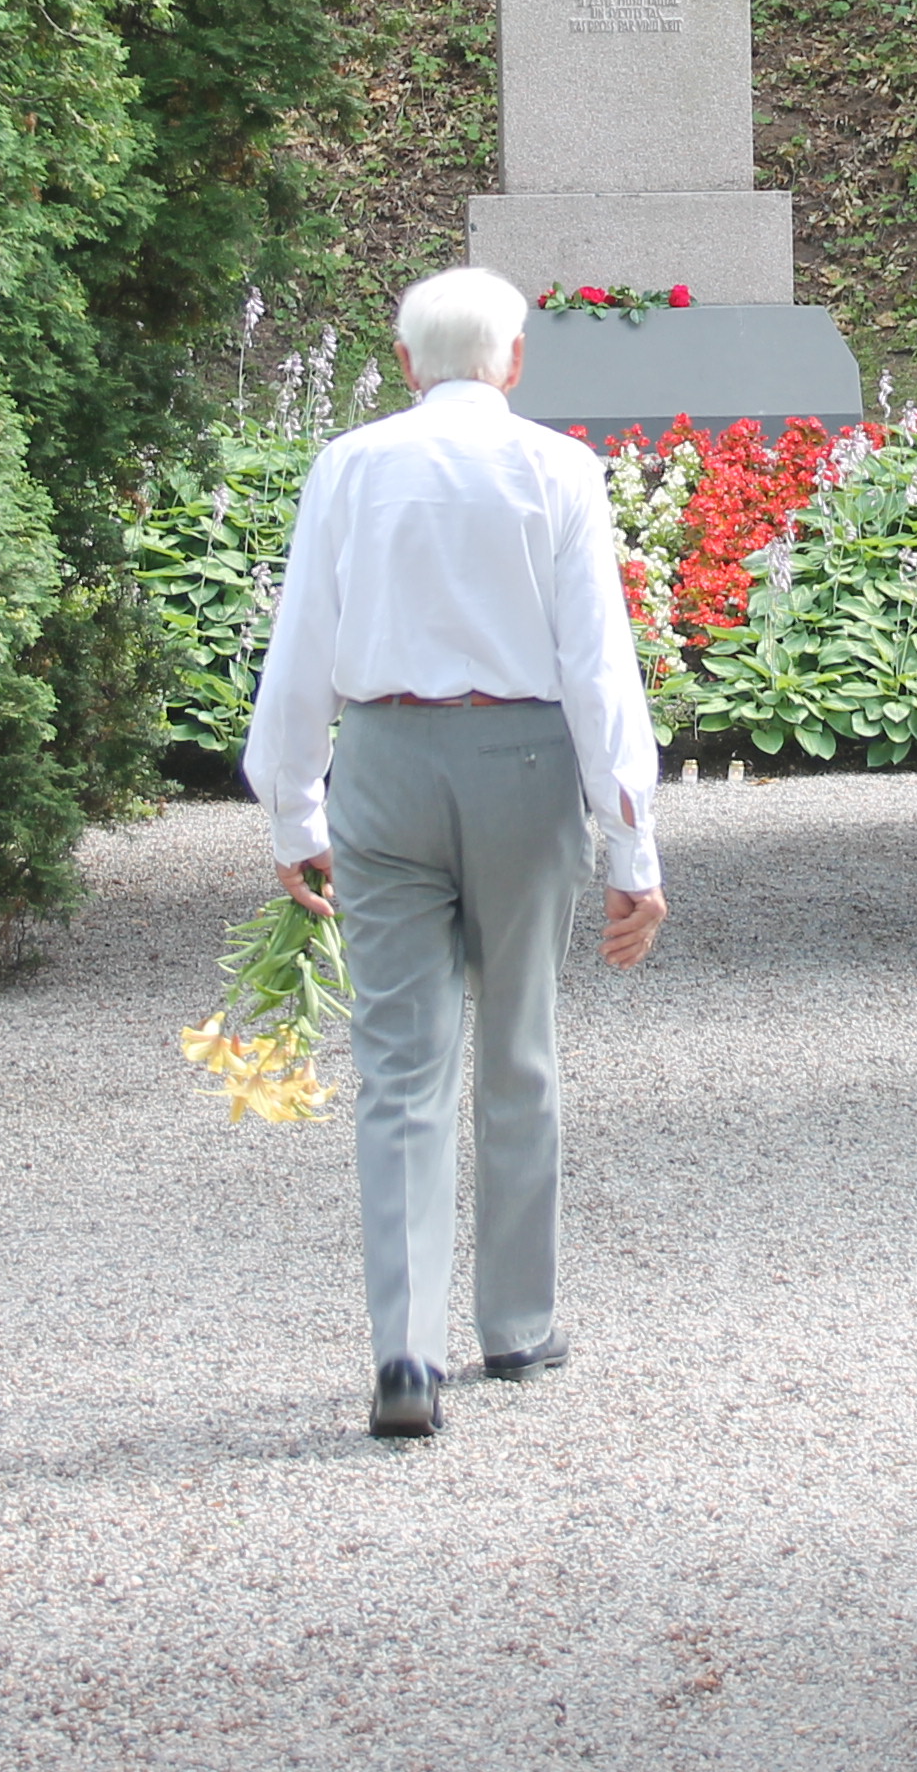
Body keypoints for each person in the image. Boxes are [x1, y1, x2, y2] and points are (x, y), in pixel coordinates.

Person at [241, 265, 670, 1440]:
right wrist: (632, 846)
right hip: (524, 761)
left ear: (404, 361)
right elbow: (598, 665)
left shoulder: (349, 465)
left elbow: (303, 642)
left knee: (399, 1064)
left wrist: (294, 810)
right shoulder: (558, 469)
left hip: (382, 761)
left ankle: (406, 1351)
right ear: (515, 360)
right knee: (519, 1045)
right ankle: (518, 1325)